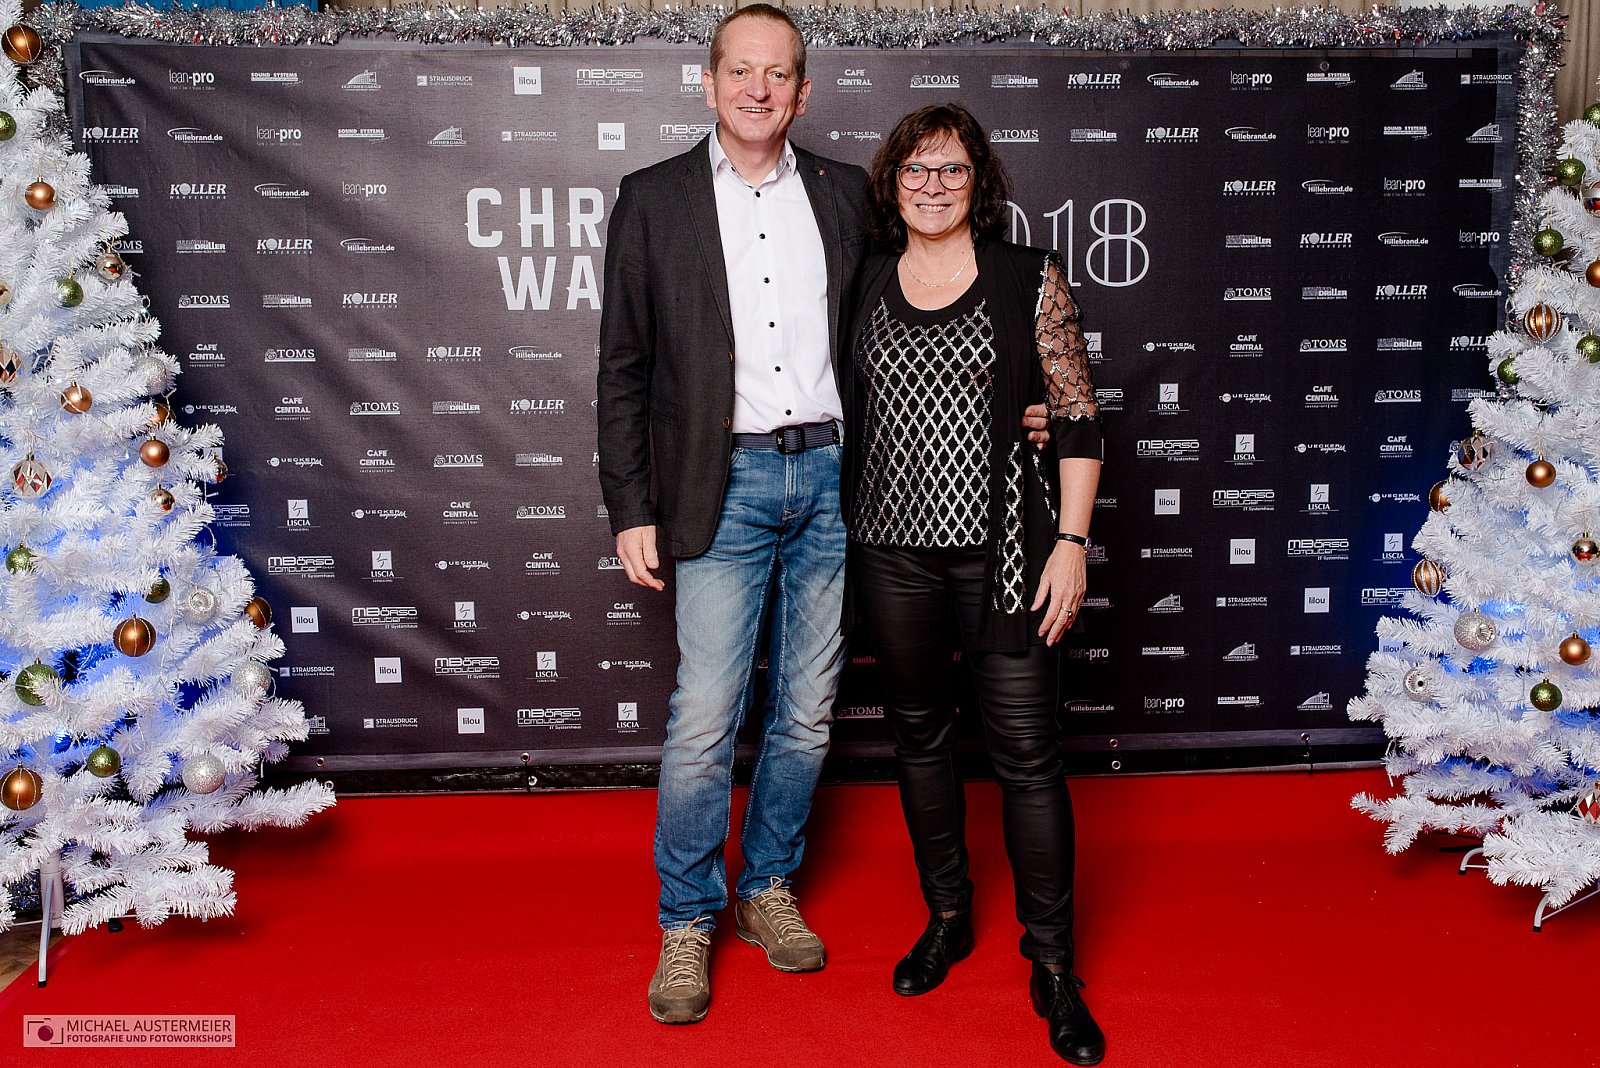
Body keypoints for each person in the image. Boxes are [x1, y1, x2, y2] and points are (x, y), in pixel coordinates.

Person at [596, 4, 868, 1026]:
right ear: (708, 83)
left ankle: (766, 888)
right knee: (706, 715)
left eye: (778, 73)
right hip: (721, 485)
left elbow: (902, 321)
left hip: (833, 479)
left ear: (802, 91)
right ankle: (686, 918)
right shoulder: (653, 197)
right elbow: (623, 368)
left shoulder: (846, 194)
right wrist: (631, 504)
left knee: (806, 711)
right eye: (740, 71)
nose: (759, 89)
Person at [843, 103, 1107, 1066]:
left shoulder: (1026, 275)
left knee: (1027, 755)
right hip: (889, 551)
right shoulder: (863, 277)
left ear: (979, 183)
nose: (933, 186)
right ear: (892, 183)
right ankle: (948, 916)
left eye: (952, 169)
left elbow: (1075, 416)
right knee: (920, 738)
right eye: (915, 169)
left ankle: (1054, 964)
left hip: (1004, 552)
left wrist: (1070, 541)